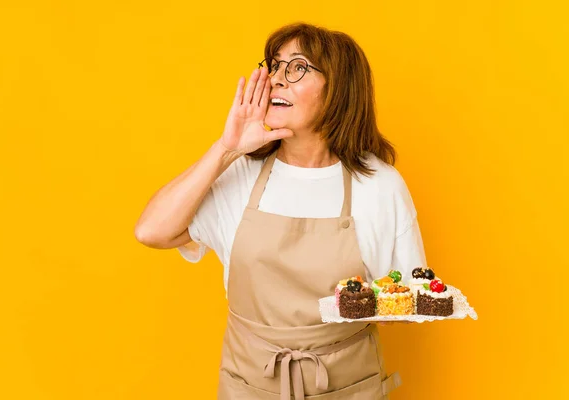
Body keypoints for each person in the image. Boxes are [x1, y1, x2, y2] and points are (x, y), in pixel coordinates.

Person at [135, 22, 427, 400]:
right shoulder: (240, 173)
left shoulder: (380, 186)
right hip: (249, 387)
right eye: (275, 66)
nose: (276, 79)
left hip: (347, 388)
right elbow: (150, 231)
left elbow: (410, 299)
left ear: (338, 89)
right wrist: (227, 148)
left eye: (298, 67)